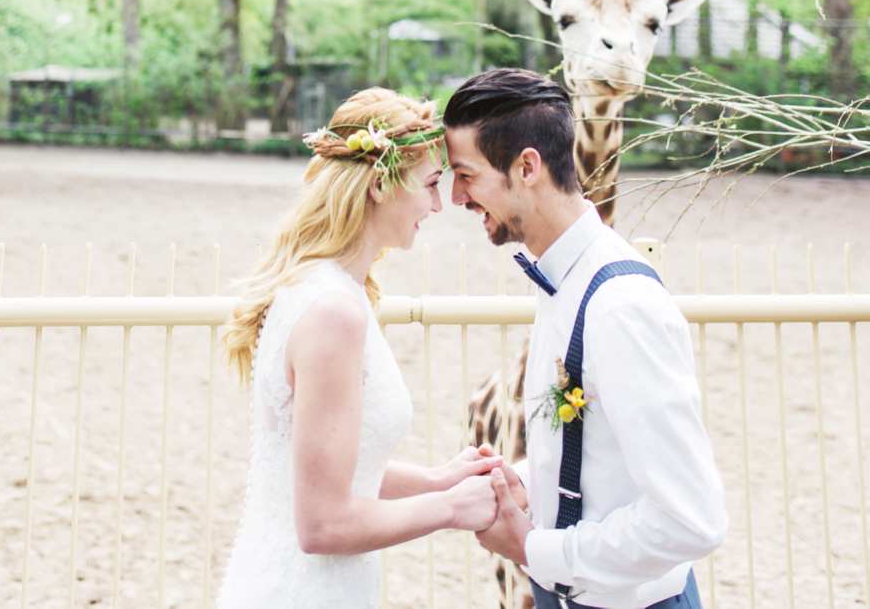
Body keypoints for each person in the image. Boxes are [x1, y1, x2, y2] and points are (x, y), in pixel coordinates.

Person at [442, 67, 726, 608]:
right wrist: (526, 478)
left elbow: (692, 519)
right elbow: (601, 454)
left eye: (466, 175)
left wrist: (533, 548)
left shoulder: (621, 307)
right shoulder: (561, 278)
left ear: (527, 167)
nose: (457, 197)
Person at [218, 87, 508, 607]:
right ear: (380, 184)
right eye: (431, 185)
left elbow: (326, 465)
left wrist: (437, 480)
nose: (438, 205)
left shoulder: (323, 288)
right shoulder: (332, 312)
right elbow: (323, 524)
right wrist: (452, 509)